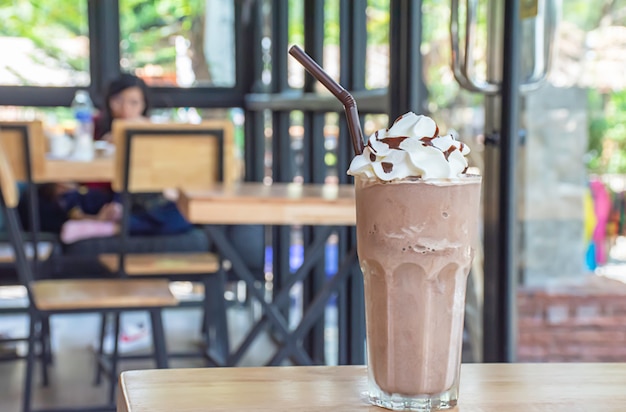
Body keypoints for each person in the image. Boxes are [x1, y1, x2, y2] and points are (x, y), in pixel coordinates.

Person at [22, 73, 192, 244]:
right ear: (108, 101)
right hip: (95, 197)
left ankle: (108, 228)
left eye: (134, 102)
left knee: (179, 216)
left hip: (133, 201)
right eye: (118, 100)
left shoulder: (151, 132)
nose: (125, 108)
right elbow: (73, 168)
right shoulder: (92, 126)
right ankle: (91, 220)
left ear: (144, 105)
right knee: (33, 201)